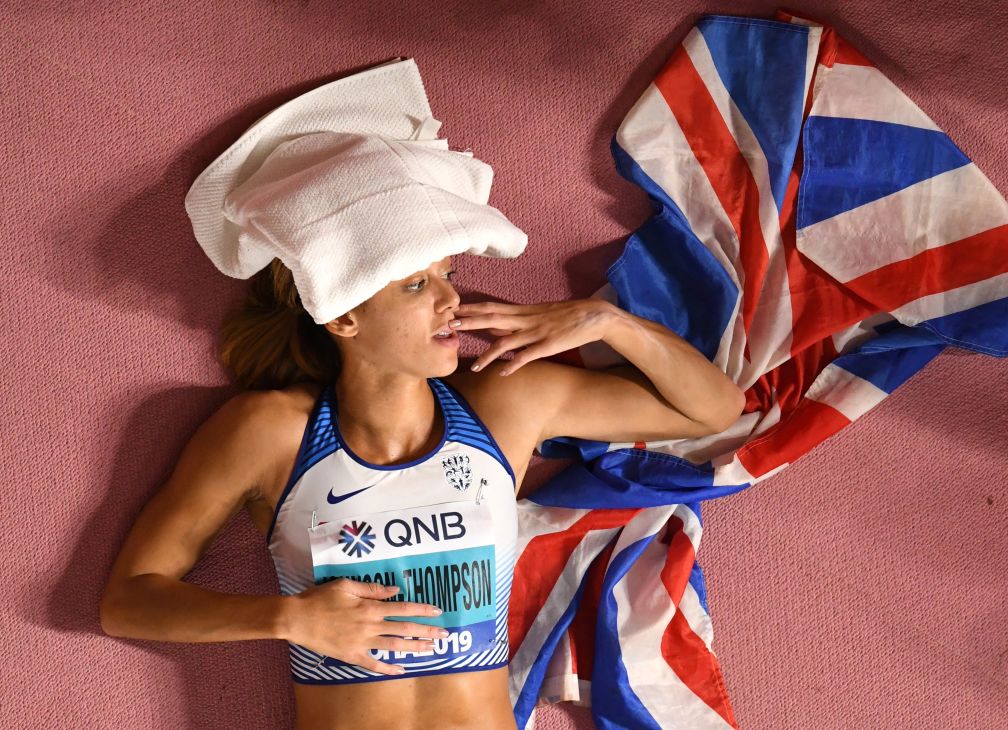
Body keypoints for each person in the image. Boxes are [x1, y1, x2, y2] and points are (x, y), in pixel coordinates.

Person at [99, 59, 743, 730]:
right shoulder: (269, 432)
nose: (449, 299)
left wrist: (606, 321)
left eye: (448, 273)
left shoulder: (507, 403)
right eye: (415, 285)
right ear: (343, 316)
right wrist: (288, 617)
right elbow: (128, 601)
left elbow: (714, 410)